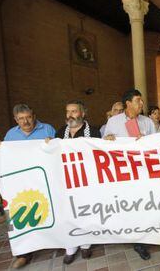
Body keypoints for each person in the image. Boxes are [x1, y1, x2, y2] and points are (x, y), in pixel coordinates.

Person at [0, 104, 56, 269]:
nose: (25, 121)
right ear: (16, 120)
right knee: (18, 215)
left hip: (45, 179)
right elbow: (6, 158)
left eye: (28, 117)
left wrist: (54, 143)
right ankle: (23, 253)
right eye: (21, 119)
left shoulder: (47, 129)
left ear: (33, 115)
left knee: (53, 211)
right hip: (21, 183)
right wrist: (0, 147)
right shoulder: (11, 135)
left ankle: (59, 240)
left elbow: (58, 151)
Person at [103, 89, 154, 260]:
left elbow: (158, 146)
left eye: (141, 101)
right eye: (138, 100)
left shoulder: (147, 122)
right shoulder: (113, 122)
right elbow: (104, 146)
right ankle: (128, 234)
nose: (142, 104)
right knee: (127, 206)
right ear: (128, 103)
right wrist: (108, 141)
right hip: (122, 174)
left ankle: (141, 241)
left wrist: (145, 142)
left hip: (143, 172)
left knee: (142, 206)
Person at [54, 100, 100, 264]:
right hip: (66, 180)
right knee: (68, 213)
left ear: (83, 113)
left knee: (85, 211)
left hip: (87, 180)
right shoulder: (60, 132)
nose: (70, 115)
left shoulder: (93, 131)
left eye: (74, 111)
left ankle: (86, 244)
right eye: (68, 111)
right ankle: (70, 247)